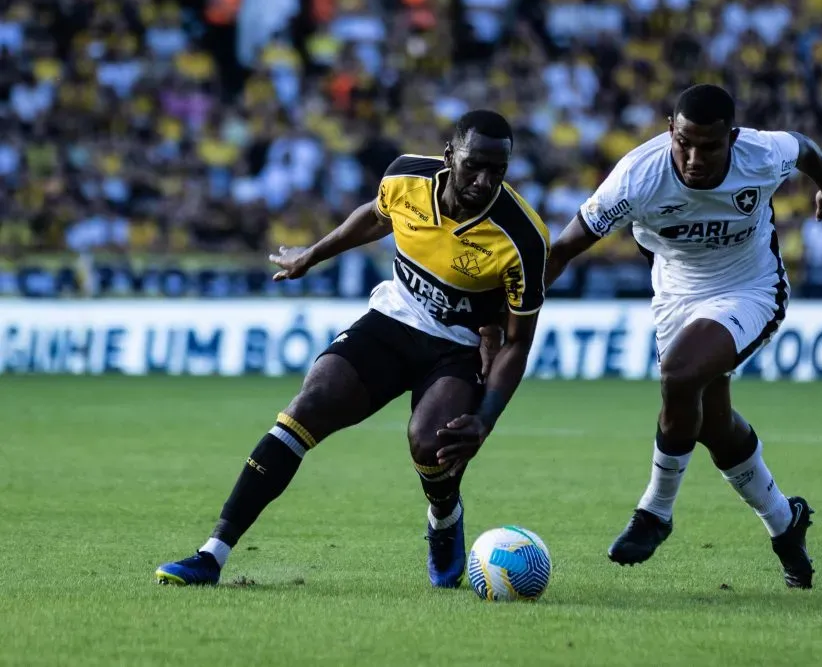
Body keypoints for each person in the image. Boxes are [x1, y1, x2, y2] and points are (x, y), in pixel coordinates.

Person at [155, 110, 550, 588]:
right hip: (392, 320)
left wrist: (485, 419)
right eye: (474, 166)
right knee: (306, 407)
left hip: (458, 346)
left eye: (498, 171)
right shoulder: (405, 176)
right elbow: (373, 218)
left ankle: (444, 517)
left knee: (431, 443)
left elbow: (518, 341)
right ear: (449, 156)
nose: (484, 181)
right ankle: (211, 555)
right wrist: (311, 255)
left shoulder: (523, 238)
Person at [537, 84, 822, 588]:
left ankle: (655, 512)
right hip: (675, 297)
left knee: (680, 374)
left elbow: (805, 147)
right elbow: (563, 250)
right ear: (670, 130)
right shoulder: (638, 177)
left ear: (732, 138)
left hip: (751, 289)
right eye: (684, 142)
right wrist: (511, 318)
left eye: (709, 146)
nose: (693, 157)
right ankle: (784, 522)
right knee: (710, 423)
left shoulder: (761, 154)